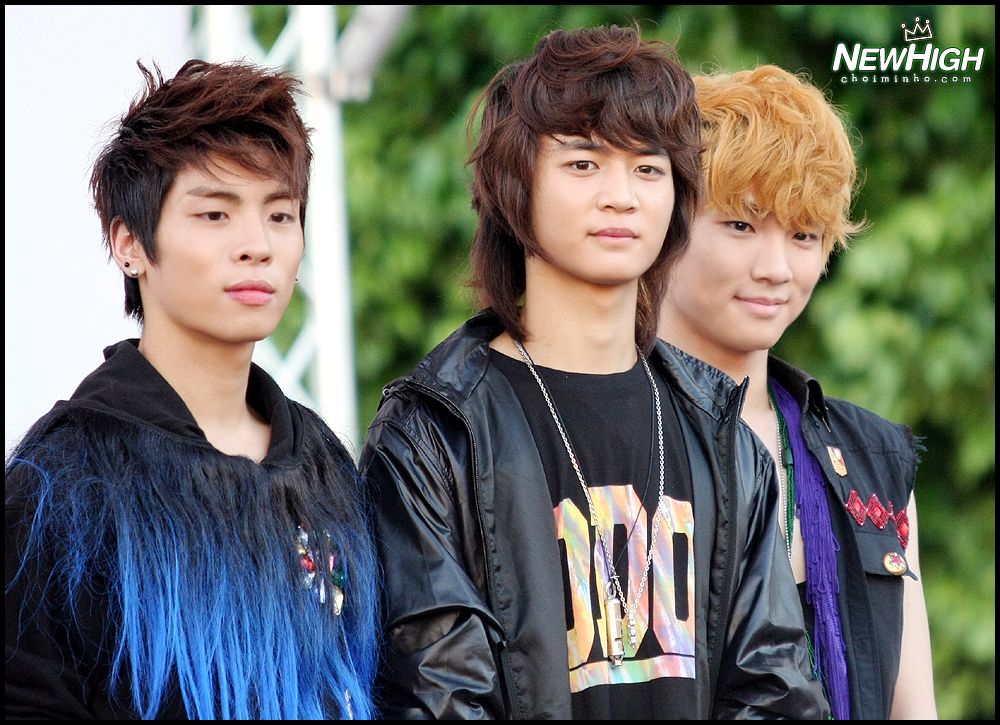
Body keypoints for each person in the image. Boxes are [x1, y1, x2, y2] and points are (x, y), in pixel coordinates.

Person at [360, 26, 827, 719]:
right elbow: (439, 696)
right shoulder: (435, 434)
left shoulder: (722, 434)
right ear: (515, 185)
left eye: (648, 168)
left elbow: (775, 691)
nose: (621, 196)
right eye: (584, 163)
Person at [5, 60, 378, 719]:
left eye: (280, 214)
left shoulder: (322, 461)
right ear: (130, 245)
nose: (257, 245)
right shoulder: (61, 480)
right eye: (214, 213)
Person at [657, 64, 938, 719]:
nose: (777, 268)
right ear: (667, 225)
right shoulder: (593, 432)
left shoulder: (871, 458)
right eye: (741, 225)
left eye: (804, 234)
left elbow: (912, 706)